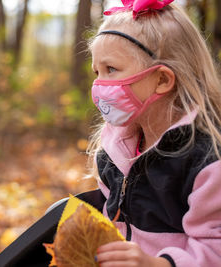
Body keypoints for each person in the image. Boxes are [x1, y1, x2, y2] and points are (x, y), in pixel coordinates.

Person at [88, 0, 221, 266]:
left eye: (111, 69)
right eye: (97, 72)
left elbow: (215, 249)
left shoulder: (207, 160)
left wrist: (156, 264)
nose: (99, 84)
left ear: (161, 80)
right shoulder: (115, 146)